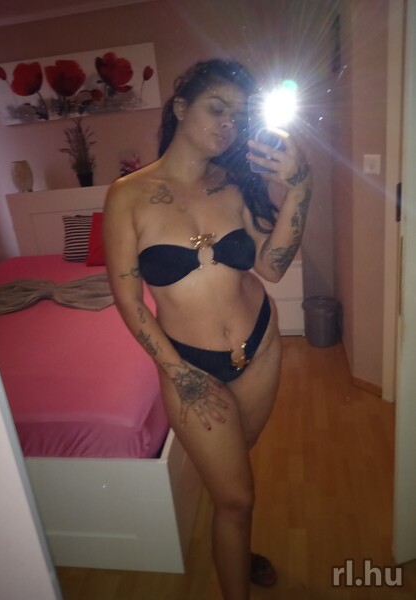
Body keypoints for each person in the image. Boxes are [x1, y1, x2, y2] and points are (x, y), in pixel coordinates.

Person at [103, 59, 311, 600]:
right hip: (190, 366)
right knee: (237, 498)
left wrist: (298, 188)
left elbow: (271, 268)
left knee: (235, 475)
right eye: (217, 109)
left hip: (259, 346)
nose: (228, 125)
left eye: (238, 117)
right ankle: (234, 541)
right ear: (180, 108)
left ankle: (235, 544)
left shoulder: (235, 184)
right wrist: (178, 373)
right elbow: (128, 299)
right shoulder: (128, 195)